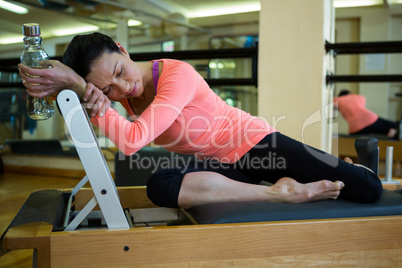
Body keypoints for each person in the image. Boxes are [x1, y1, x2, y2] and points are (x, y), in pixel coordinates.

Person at [18, 33, 382, 209]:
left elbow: (131, 141)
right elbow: (122, 131)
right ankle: (280, 191)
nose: (122, 87)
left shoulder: (178, 75)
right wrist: (82, 93)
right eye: (107, 89)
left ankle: (347, 166)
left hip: (256, 145)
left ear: (124, 50)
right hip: (222, 167)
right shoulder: (116, 96)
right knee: (159, 184)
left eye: (119, 70)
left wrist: (84, 87)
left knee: (367, 189)